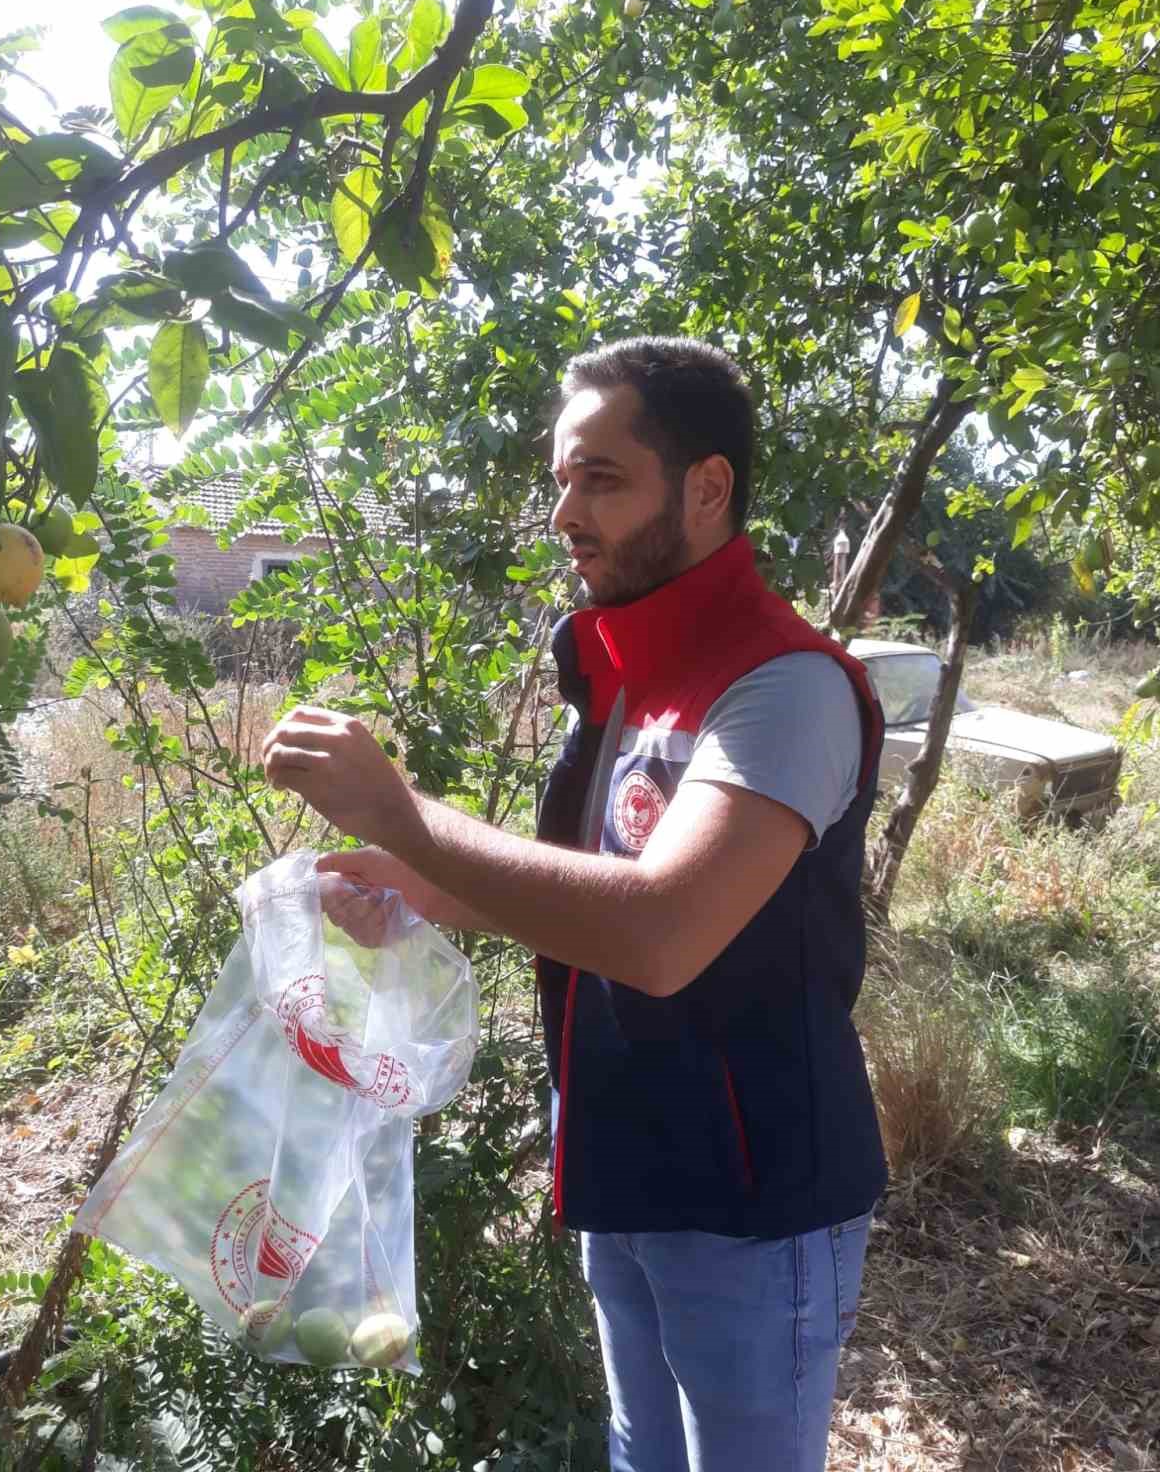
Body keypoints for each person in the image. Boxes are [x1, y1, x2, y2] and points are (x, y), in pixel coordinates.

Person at [261, 336, 888, 1472]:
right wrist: (422, 886)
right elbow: (591, 895)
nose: (565, 512)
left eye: (601, 478)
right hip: (619, 1160)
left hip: (754, 1204)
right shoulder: (623, 670)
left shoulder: (785, 686)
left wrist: (407, 815)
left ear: (707, 489)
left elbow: (658, 932)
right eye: (561, 478)